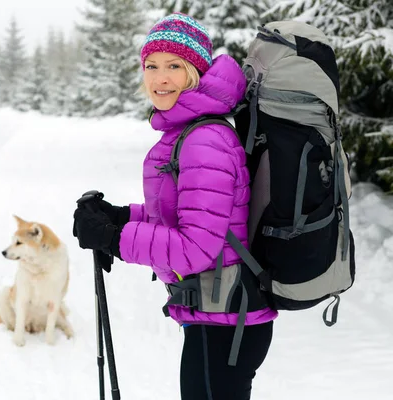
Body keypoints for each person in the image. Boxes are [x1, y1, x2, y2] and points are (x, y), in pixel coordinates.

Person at [72, 13, 278, 400]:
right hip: (220, 318)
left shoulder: (205, 140)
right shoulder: (190, 130)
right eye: (151, 65)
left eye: (174, 66)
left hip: (224, 324)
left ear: (195, 72)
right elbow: (184, 216)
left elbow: (196, 249)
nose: (159, 78)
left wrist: (116, 238)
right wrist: (119, 217)